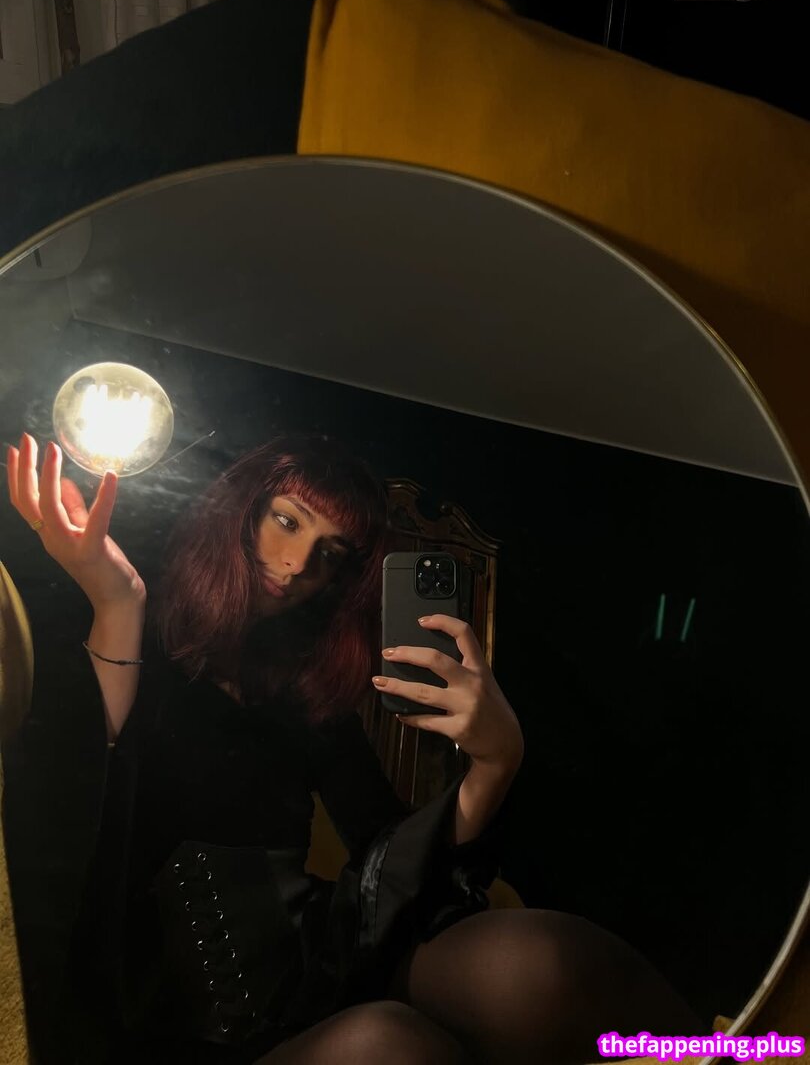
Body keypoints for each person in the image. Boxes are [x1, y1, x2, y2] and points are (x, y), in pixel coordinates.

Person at [5, 430, 703, 1065]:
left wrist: (495, 762)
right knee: (389, 1047)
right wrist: (118, 602)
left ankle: (749, 1051)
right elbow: (83, 796)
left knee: (544, 962)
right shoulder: (130, 634)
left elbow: (389, 852)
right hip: (164, 1022)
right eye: (287, 521)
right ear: (240, 510)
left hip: (319, 965)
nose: (297, 564)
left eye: (331, 554)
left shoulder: (302, 696)